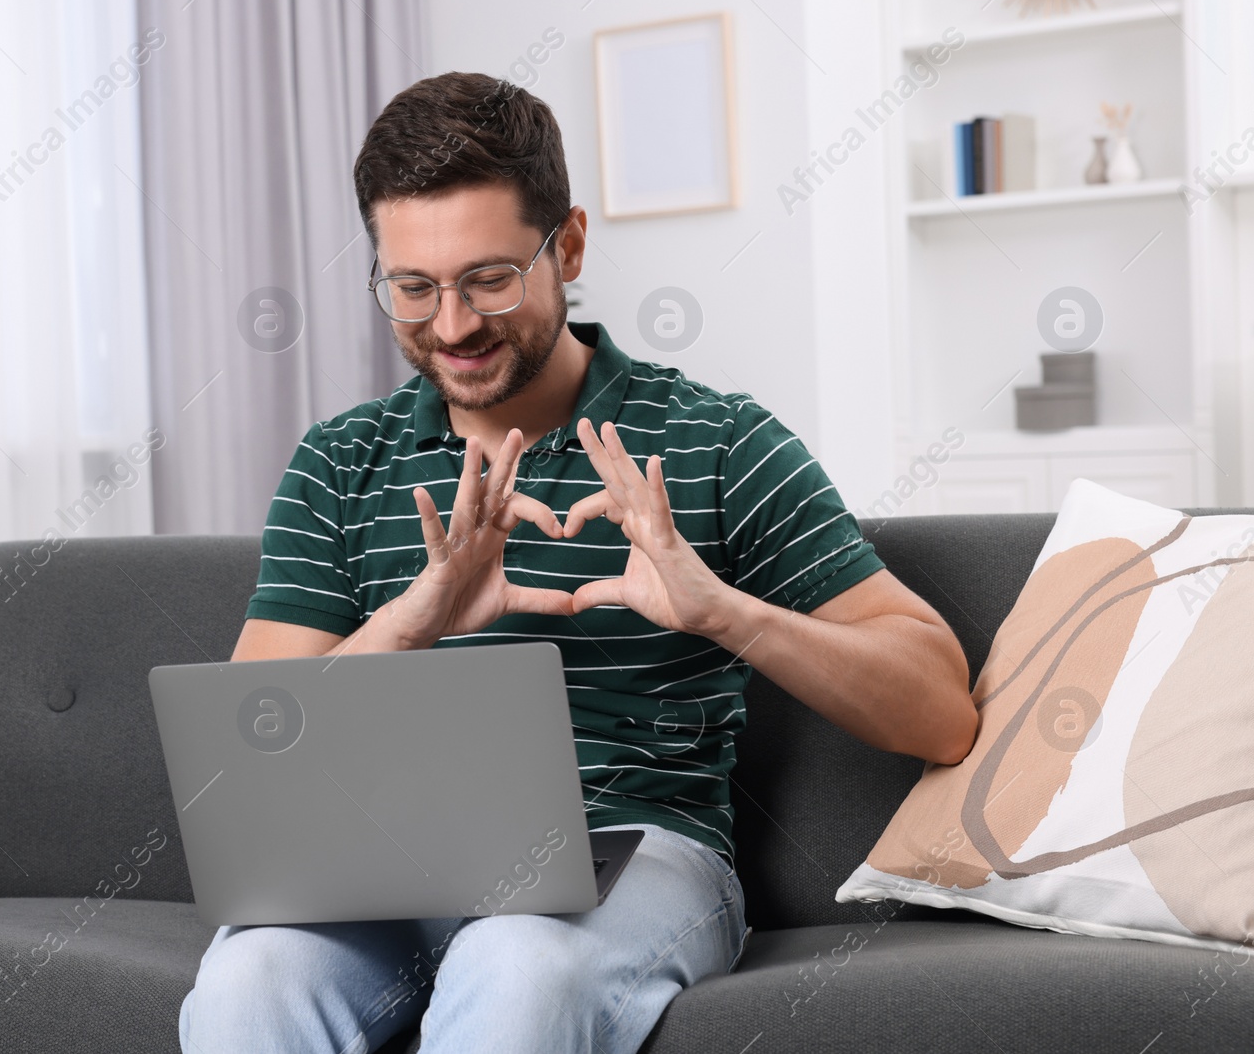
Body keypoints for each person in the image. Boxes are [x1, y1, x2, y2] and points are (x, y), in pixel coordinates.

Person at [178, 71, 976, 1054]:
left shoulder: (712, 440)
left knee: (516, 963)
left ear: (570, 245)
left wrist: (725, 611)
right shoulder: (343, 460)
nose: (454, 325)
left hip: (632, 855)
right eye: (413, 288)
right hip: (382, 871)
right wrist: (412, 619)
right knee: (246, 978)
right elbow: (250, 748)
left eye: (489, 278)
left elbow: (939, 706)